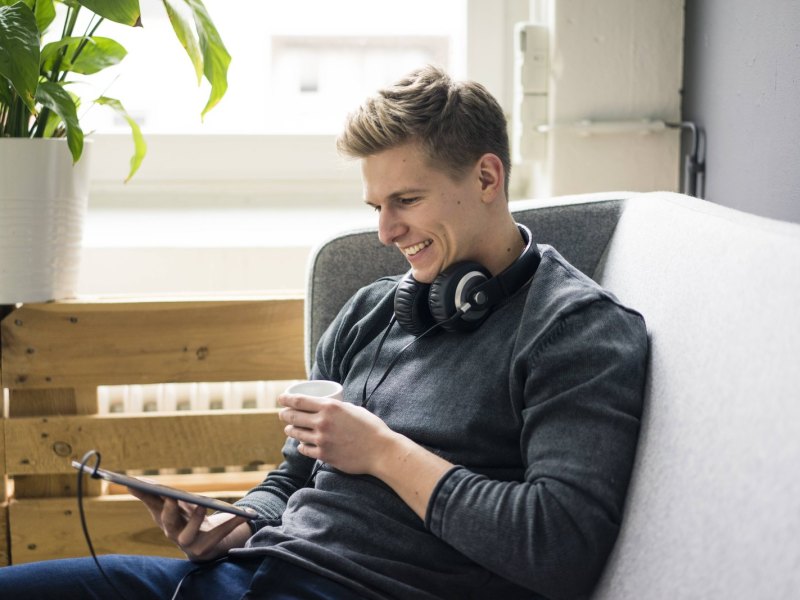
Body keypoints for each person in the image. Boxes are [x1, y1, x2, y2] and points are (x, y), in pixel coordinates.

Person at [0, 65, 648, 599]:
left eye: (407, 201)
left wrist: (383, 452)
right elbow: (292, 479)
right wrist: (239, 520)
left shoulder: (575, 331)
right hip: (246, 574)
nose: (385, 232)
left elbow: (558, 549)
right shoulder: (378, 309)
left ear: (486, 177)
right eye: (376, 206)